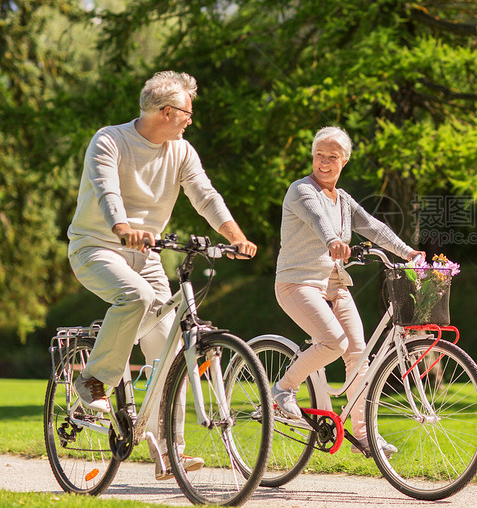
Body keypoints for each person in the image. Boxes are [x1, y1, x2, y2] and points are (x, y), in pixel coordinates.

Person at [67, 70, 258, 480]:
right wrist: (122, 228)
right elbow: (106, 191)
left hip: (148, 255)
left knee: (170, 351)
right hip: (97, 248)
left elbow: (205, 195)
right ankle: (92, 380)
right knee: (133, 296)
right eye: (188, 112)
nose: (191, 119)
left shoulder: (182, 151)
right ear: (167, 111)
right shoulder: (110, 140)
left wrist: (235, 236)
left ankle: (169, 452)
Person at [273, 126, 424, 456]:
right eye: (319, 155)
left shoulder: (343, 200)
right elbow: (317, 220)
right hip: (296, 283)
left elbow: (373, 227)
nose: (324, 163)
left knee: (358, 353)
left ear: (345, 162)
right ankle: (284, 388)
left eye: (332, 157)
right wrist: (333, 242)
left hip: (333, 284)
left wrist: (408, 253)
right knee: (333, 342)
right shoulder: (300, 190)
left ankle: (364, 434)